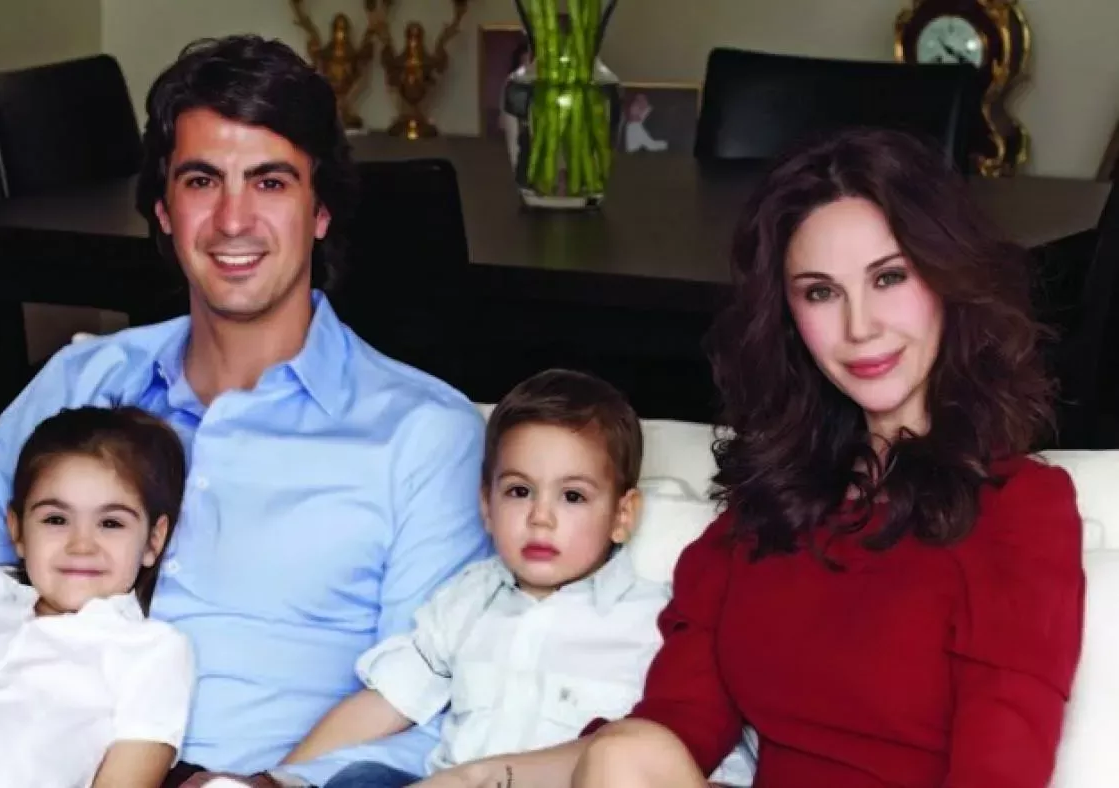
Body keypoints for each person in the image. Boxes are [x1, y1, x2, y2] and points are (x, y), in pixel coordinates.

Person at [0, 34, 490, 788]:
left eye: (270, 182)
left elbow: (439, 709)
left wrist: (276, 786)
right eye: (202, 181)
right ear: (165, 210)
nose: (233, 220)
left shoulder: (423, 435)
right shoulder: (82, 382)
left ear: (321, 209)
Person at [408, 127, 1087, 788]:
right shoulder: (768, 508)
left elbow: (1000, 769)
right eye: (820, 292)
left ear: (947, 280)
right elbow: (667, 731)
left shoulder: (1020, 509)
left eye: (889, 277)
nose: (860, 327)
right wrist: (476, 776)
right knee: (627, 756)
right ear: (788, 318)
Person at [283, 369, 756, 788]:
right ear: (486, 506)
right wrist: (283, 773)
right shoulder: (464, 602)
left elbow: (685, 757)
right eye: (519, 491)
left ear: (622, 515)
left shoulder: (654, 623)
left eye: (572, 496)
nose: (540, 517)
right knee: (359, 778)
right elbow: (386, 702)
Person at [0, 405, 194, 788]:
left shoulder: (151, 652)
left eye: (111, 523)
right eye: (56, 519)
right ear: (18, 531)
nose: (81, 545)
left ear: (153, 541)